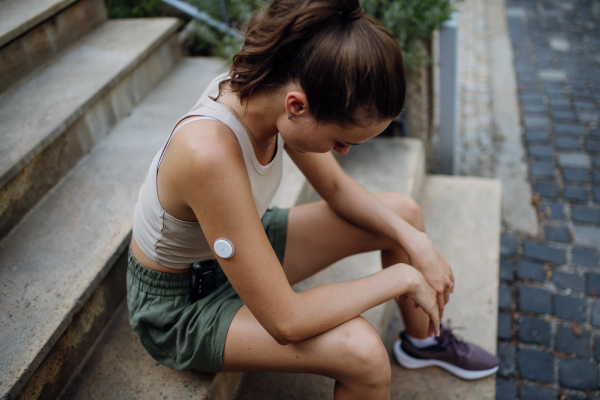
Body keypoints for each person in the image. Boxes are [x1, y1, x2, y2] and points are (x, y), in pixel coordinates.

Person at [127, 0, 499, 398]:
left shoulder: (269, 92)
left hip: (231, 250)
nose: (342, 152)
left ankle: (425, 343)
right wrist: (402, 277)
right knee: (361, 352)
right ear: (297, 106)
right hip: (183, 305)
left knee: (401, 215)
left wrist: (415, 240)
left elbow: (337, 191)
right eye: (341, 141)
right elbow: (286, 321)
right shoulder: (209, 153)